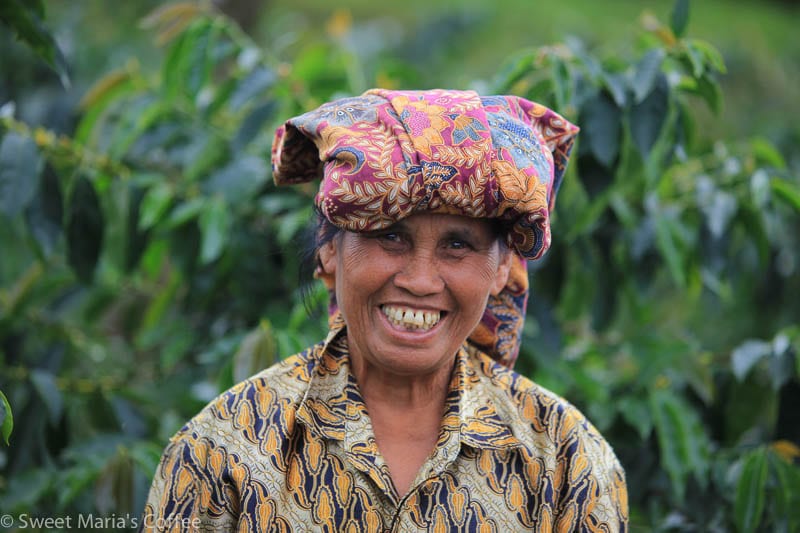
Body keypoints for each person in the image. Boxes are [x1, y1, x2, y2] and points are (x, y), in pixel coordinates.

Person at [140, 89, 628, 531]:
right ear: (329, 251)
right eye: (390, 237)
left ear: (502, 268)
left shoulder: (567, 461)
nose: (419, 281)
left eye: (458, 245)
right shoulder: (222, 451)